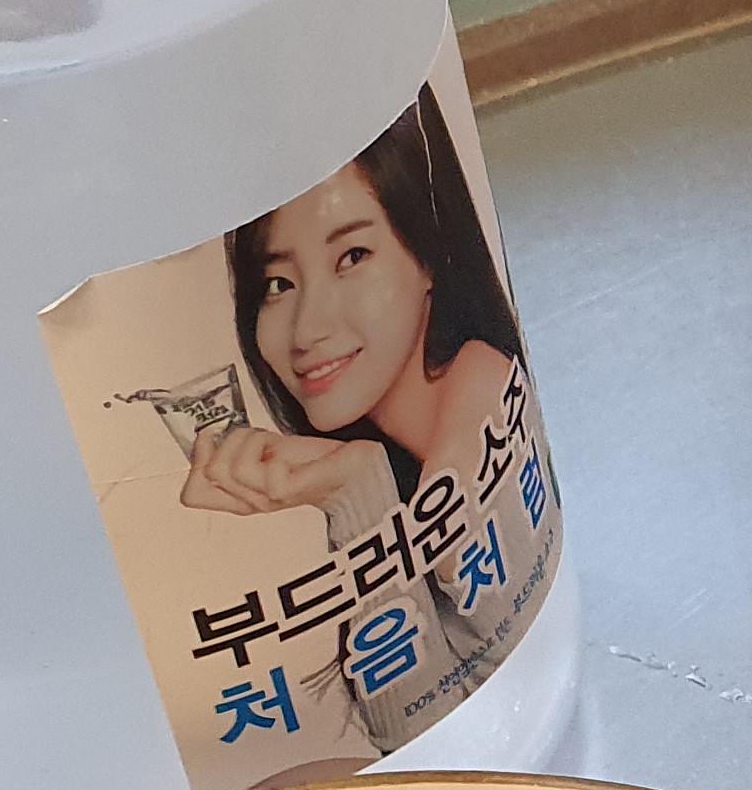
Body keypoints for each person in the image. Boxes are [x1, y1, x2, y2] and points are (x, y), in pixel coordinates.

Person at [182, 89, 520, 522]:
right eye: (278, 284)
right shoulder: (399, 454)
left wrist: (358, 488)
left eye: (353, 257)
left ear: (430, 253)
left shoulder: (482, 377)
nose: (306, 332)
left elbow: (469, 554)